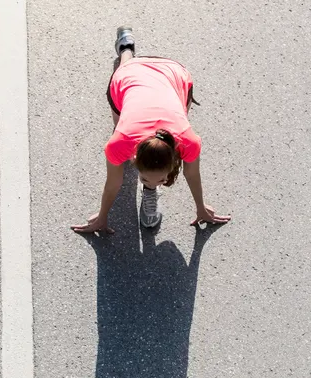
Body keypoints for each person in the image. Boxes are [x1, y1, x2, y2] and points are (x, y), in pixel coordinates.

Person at [72, 27, 231, 234]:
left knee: (169, 105)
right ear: (135, 155)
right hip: (131, 76)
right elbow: (113, 183)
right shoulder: (119, 143)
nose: (156, 182)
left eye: (161, 180)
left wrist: (201, 208)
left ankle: (128, 49)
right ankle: (126, 50)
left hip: (172, 73)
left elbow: (192, 174)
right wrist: (102, 217)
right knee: (126, 78)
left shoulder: (188, 141)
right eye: (146, 179)